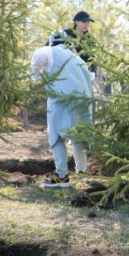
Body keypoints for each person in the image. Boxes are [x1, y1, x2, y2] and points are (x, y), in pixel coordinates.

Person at [31, 31, 94, 188]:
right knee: (79, 137)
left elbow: (38, 58)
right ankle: (82, 175)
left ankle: (61, 176)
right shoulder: (78, 59)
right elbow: (90, 80)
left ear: (52, 41)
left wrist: (37, 77)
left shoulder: (48, 51)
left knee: (57, 137)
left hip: (61, 100)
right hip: (84, 102)